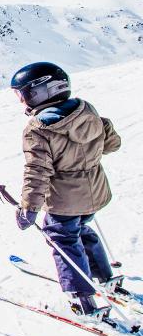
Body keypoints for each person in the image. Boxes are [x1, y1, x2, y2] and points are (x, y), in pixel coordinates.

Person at [11, 61, 125, 317]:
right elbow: (112, 144)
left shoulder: (39, 128)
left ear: (40, 92)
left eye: (23, 94)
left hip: (65, 199)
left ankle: (81, 299)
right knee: (81, 229)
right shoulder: (87, 110)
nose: (22, 101)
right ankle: (104, 276)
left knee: (62, 239)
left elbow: (37, 172)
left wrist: (29, 208)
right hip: (96, 192)